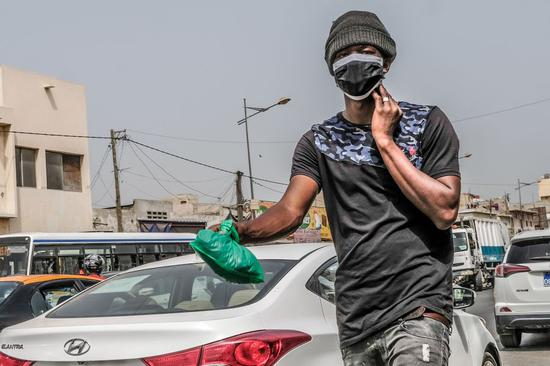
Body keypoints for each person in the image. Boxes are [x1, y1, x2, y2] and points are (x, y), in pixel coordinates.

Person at [215, 10, 461, 366]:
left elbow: (444, 210)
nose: (354, 62)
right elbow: (290, 211)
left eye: (364, 50)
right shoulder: (318, 142)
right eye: (343, 55)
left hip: (418, 305)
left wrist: (384, 140)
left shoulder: (426, 123)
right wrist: (240, 232)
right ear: (332, 70)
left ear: (386, 62)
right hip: (357, 317)